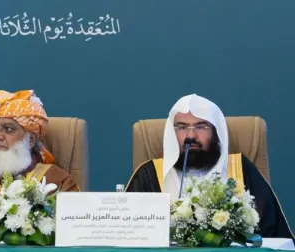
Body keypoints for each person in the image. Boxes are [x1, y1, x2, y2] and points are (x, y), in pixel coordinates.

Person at [125, 94, 291, 238]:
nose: (191, 135)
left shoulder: (240, 169)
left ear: (216, 132)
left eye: (201, 127)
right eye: (182, 127)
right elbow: (130, 234)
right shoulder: (149, 174)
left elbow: (271, 233)